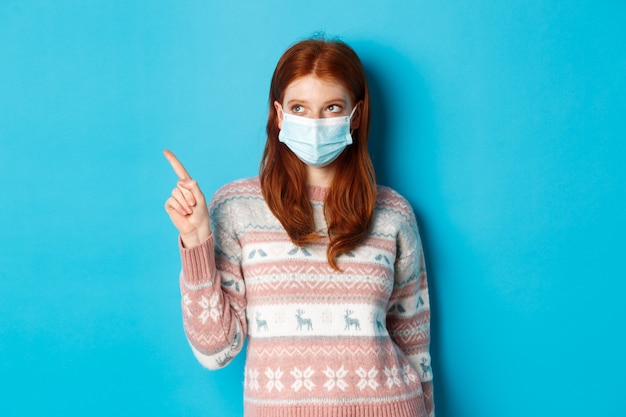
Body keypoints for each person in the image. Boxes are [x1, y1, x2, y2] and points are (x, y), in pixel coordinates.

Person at [164, 37, 434, 417]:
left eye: (332, 107)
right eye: (299, 108)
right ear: (279, 114)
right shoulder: (236, 208)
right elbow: (216, 349)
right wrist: (195, 240)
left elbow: (415, 347)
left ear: (354, 115)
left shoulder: (392, 213)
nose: (315, 122)